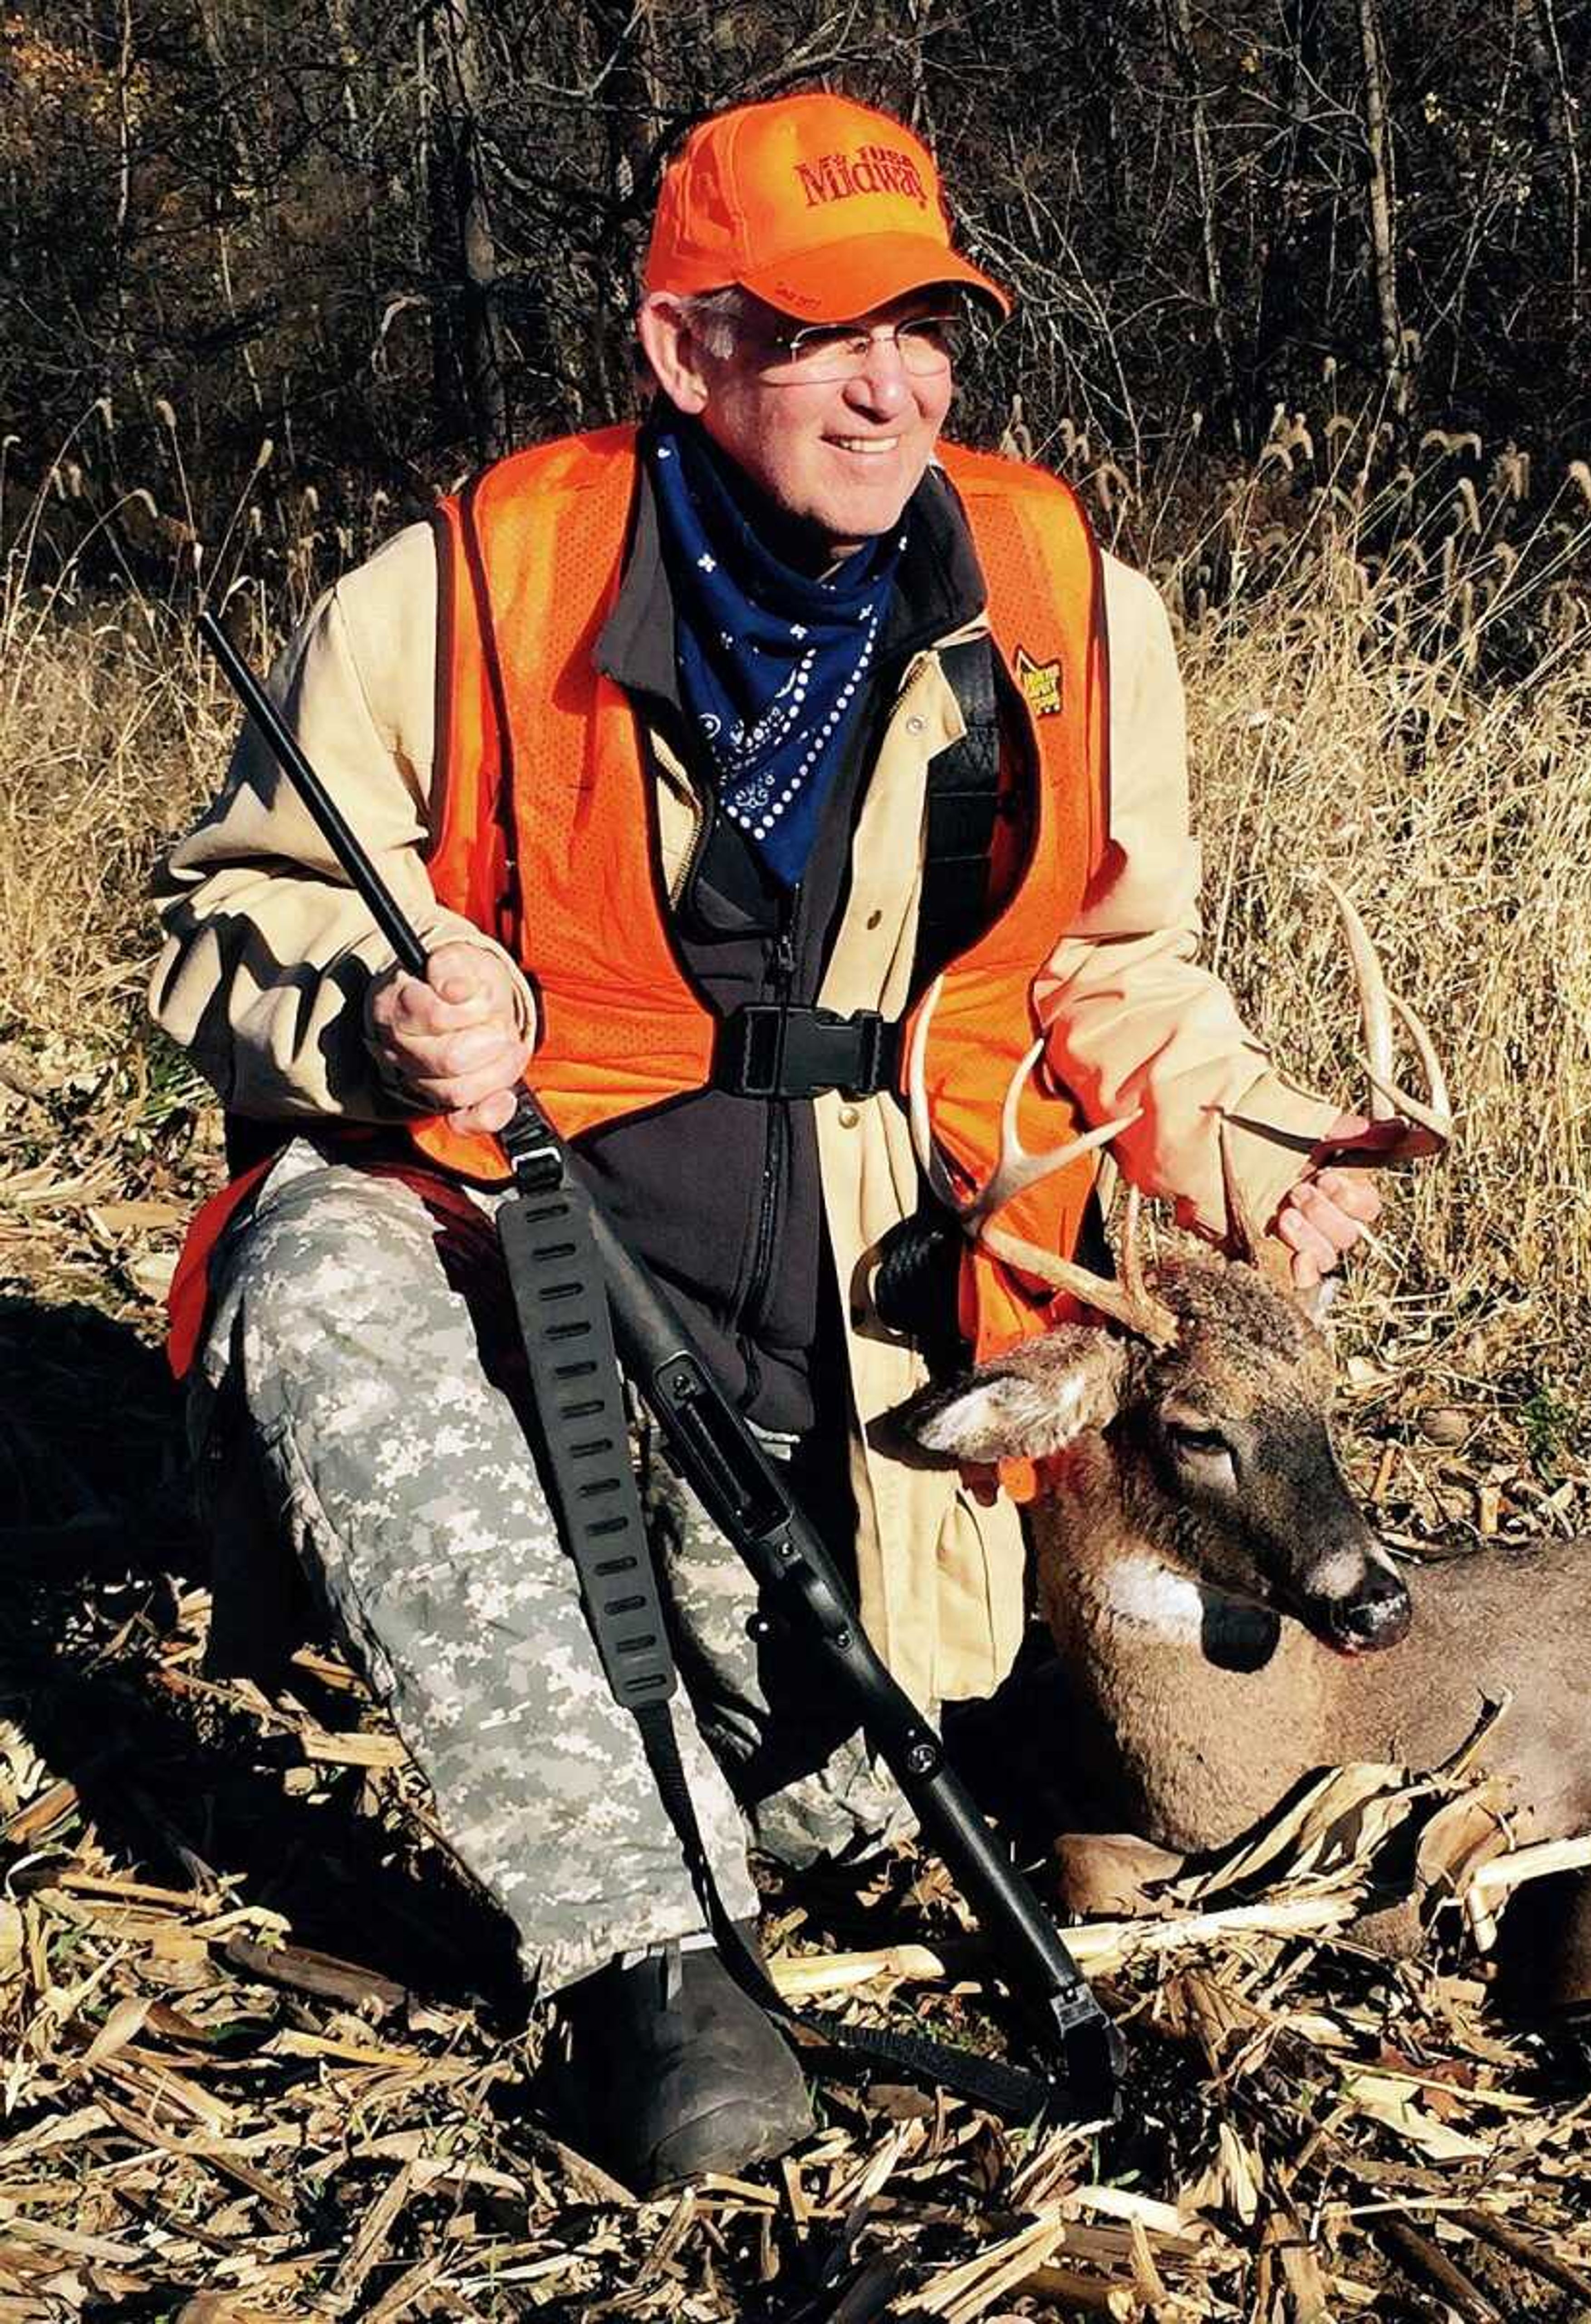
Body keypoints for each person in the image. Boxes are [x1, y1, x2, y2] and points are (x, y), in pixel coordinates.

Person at [150, 91, 1391, 2193]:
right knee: (319, 1275)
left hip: (859, 1280)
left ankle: (791, 1788)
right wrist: (376, 1017)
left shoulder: (1067, 600)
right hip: (517, 1215)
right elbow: (230, 915)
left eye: (925, 323)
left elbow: (1115, 971)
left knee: (848, 1776)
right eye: (826, 333)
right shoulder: (467, 583)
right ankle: (653, 1962)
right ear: (684, 349)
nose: (892, 382)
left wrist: (1258, 1134)